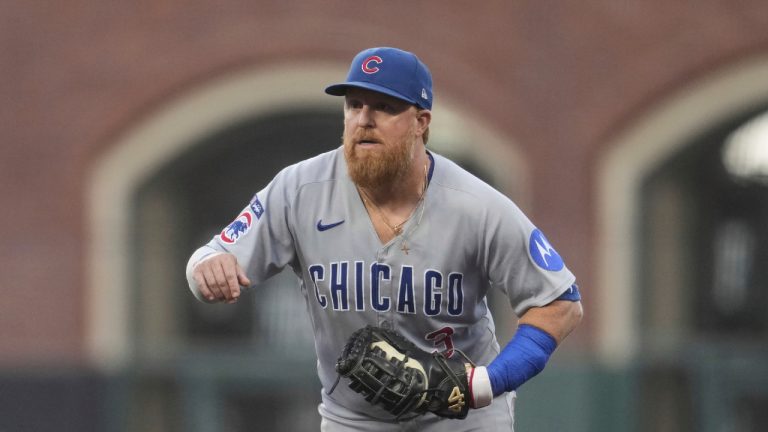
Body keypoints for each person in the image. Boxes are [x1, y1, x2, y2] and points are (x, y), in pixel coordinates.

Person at [186, 46, 583, 431]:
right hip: (355, 418)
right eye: (354, 104)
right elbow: (212, 257)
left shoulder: (475, 205)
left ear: (422, 122)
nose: (364, 119)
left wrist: (483, 385)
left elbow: (560, 303)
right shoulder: (300, 190)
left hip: (462, 419)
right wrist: (207, 267)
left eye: (385, 107)